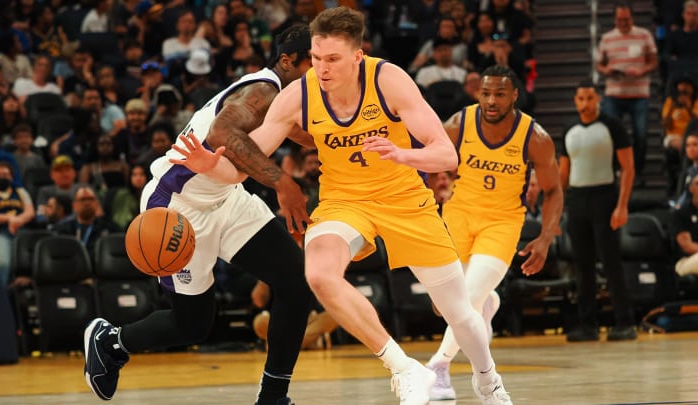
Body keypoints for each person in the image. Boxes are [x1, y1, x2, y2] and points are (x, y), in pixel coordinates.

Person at [177, 8, 512, 404]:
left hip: (404, 199)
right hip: (343, 200)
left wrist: (403, 155)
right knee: (318, 274)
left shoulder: (388, 80)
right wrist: (213, 166)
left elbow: (446, 155)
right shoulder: (299, 93)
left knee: (457, 313)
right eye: (316, 58)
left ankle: (487, 379)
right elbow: (243, 168)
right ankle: (404, 368)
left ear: (357, 55)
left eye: (332, 59)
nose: (321, 68)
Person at [83, 25, 315, 405]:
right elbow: (224, 133)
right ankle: (111, 341)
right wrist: (283, 184)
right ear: (288, 61)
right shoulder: (262, 89)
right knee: (192, 325)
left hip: (224, 196)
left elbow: (308, 133)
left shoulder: (291, 95)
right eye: (313, 61)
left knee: (296, 282)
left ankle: (273, 397)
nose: (320, 69)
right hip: (178, 204)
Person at [424, 65, 563, 401]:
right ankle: (486, 304)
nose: (491, 100)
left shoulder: (535, 138)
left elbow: (554, 190)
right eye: (486, 93)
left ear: (514, 95)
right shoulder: (460, 123)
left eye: (500, 93)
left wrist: (545, 238)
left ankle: (438, 368)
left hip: (502, 221)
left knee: (464, 301)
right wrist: (429, 201)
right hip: (458, 214)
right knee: (443, 308)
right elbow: (428, 156)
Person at [559, 80, 637, 342]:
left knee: (611, 263)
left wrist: (622, 205)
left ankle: (625, 323)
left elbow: (628, 168)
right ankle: (587, 325)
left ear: (598, 100)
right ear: (575, 101)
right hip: (577, 200)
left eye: (590, 98)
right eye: (581, 98)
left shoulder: (612, 126)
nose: (585, 103)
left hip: (605, 197)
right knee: (583, 266)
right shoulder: (569, 129)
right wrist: (557, 211)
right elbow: (563, 174)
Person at [595, 1, 657, 176]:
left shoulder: (644, 35)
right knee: (611, 134)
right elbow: (599, 65)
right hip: (615, 93)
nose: (623, 23)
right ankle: (615, 169)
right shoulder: (607, 38)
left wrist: (642, 70)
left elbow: (653, 61)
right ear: (615, 19)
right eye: (620, 19)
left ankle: (636, 171)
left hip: (639, 93)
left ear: (632, 18)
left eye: (626, 19)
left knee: (641, 134)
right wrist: (608, 70)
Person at [0, 161, 35, 286]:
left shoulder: (20, 191)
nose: (2, 177)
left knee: (38, 260)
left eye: (5, 175)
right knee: (1, 262)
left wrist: (18, 220)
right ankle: (0, 294)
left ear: (12, 177)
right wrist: (9, 219)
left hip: (23, 231)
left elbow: (30, 212)